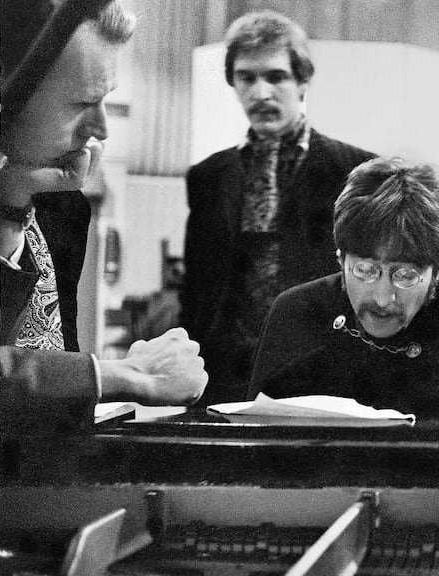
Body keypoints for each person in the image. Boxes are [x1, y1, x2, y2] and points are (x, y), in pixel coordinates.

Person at [0, 0, 207, 435]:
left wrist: (13, 201)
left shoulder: (61, 205)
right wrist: (126, 375)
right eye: (82, 103)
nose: (101, 128)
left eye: (105, 100)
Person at [248, 157, 439, 417]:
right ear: (340, 260)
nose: (382, 298)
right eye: (365, 270)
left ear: (438, 270)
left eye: (405, 276)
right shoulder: (297, 314)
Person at [181, 10, 376, 404]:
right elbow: (198, 287)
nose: (260, 92)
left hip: (320, 367)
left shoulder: (357, 170)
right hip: (222, 373)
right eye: (246, 77)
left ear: (302, 81)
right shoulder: (208, 175)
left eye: (275, 76)